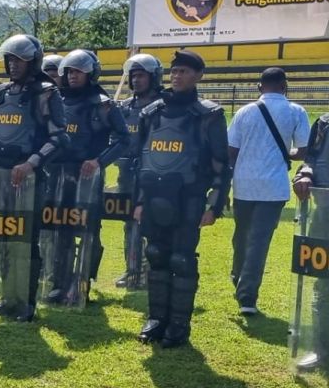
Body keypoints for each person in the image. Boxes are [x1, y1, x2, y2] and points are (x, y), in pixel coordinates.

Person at [0, 34, 68, 321]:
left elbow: (58, 138)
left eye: (19, 59)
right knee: (2, 240)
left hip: (29, 181)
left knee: (24, 242)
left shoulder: (46, 93)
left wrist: (31, 164)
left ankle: (26, 302)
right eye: (9, 59)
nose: (12, 64)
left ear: (33, 61)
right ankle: (7, 297)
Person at [134, 49, 230, 348]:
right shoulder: (151, 113)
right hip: (153, 198)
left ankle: (178, 325)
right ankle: (156, 319)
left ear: (198, 76)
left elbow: (221, 166)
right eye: (174, 71)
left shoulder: (209, 115)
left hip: (188, 199)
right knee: (156, 255)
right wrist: (138, 201)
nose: (177, 76)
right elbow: (141, 160)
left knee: (182, 259)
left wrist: (214, 205)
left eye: (185, 72)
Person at [46, 49, 129, 303]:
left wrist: (99, 161)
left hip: (87, 178)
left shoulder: (102, 103)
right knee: (59, 229)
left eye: (79, 71)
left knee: (88, 229)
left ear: (91, 73)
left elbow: (123, 140)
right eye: (69, 71)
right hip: (58, 174)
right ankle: (58, 283)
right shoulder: (57, 99)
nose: (73, 76)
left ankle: (82, 282)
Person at [228, 67, 309, 316]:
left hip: (244, 185)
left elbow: (231, 150)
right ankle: (247, 297)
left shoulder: (244, 112)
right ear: (285, 86)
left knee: (241, 237)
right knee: (259, 242)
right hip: (273, 188)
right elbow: (303, 151)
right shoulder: (296, 111)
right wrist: (286, 153)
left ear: (259, 86)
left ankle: (239, 278)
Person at [115, 53, 164, 289]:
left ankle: (153, 270)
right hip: (127, 175)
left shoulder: (164, 107)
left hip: (155, 176)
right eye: (133, 76)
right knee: (129, 224)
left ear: (154, 77)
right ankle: (132, 270)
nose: (136, 80)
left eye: (141, 75)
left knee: (154, 224)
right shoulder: (123, 108)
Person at [293, 111, 329, 371]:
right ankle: (321, 350)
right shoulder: (324, 123)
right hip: (325, 213)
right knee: (323, 284)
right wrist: (305, 174)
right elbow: (311, 160)